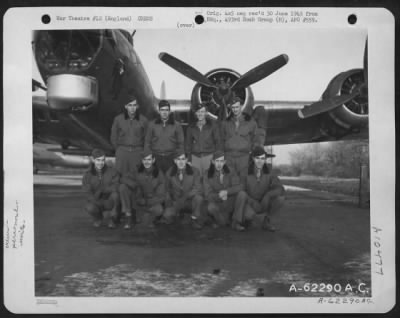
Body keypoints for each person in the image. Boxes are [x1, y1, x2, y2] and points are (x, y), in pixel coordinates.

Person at [241, 146, 285, 231]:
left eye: (262, 158)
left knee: (280, 199)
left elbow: (280, 188)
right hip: (251, 203)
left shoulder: (269, 171)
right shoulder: (245, 172)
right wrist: (251, 201)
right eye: (257, 158)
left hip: (265, 202)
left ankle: (265, 221)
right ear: (253, 158)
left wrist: (268, 195)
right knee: (248, 214)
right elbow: (241, 191)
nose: (260, 161)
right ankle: (249, 219)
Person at [119, 150, 165, 229]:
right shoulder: (137, 170)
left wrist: (147, 201)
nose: (147, 162)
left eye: (149, 160)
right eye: (144, 160)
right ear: (142, 160)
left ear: (153, 160)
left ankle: (144, 217)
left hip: (150, 202)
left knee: (158, 210)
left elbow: (161, 196)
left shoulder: (159, 174)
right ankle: (128, 216)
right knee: (123, 187)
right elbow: (123, 178)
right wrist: (135, 185)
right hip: (137, 200)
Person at [203, 151, 247, 231]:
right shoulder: (207, 174)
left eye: (221, 161)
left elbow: (240, 186)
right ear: (213, 161)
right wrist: (219, 196)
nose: (219, 164)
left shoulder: (231, 171)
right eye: (217, 161)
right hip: (218, 204)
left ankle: (236, 222)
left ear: (225, 162)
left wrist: (227, 192)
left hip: (230, 202)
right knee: (210, 207)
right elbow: (208, 195)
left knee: (242, 194)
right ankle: (220, 220)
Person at [221, 97, 265, 176]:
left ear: (241, 106)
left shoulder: (250, 122)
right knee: (228, 182)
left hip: (244, 157)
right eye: (233, 107)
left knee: (244, 182)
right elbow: (220, 140)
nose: (235, 110)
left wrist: (255, 154)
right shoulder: (225, 123)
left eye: (237, 107)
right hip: (228, 158)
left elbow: (256, 138)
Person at [164, 151, 204, 229]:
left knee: (199, 198)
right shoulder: (169, 172)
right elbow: (167, 189)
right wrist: (169, 202)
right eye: (178, 159)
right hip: (176, 201)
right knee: (167, 215)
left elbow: (198, 188)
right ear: (175, 161)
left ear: (186, 160)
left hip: (190, 201)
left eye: (183, 159)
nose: (181, 162)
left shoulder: (195, 171)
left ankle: (194, 219)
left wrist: (185, 196)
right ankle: (178, 214)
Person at [82, 148, 120, 228]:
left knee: (116, 195)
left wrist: (103, 190)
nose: (101, 163)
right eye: (98, 160)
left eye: (103, 160)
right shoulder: (87, 174)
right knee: (90, 208)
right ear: (93, 160)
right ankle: (98, 218)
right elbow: (87, 192)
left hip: (108, 200)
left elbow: (116, 186)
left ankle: (112, 219)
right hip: (96, 200)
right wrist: (95, 200)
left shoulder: (112, 172)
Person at [144, 99, 184, 173]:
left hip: (171, 158)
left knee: (170, 182)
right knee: (157, 181)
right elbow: (147, 142)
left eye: (166, 110)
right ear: (159, 111)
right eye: (162, 110)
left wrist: (178, 159)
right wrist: (149, 159)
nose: (164, 112)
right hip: (156, 158)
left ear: (169, 111)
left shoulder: (177, 125)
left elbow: (181, 144)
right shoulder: (151, 125)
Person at [110, 98, 148, 175]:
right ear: (125, 106)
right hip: (122, 153)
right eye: (130, 105)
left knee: (137, 178)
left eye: (134, 105)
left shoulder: (144, 120)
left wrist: (143, 152)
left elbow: (147, 139)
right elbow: (113, 137)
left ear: (137, 106)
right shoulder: (118, 119)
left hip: (138, 153)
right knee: (120, 177)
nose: (132, 107)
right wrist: (118, 150)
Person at [185, 103, 222, 177]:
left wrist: (216, 159)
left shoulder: (213, 126)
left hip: (209, 157)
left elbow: (218, 142)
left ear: (206, 113)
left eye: (202, 111)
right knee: (196, 181)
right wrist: (189, 160)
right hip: (195, 158)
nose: (200, 114)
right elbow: (187, 145)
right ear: (195, 113)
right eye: (198, 112)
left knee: (208, 181)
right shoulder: (191, 128)